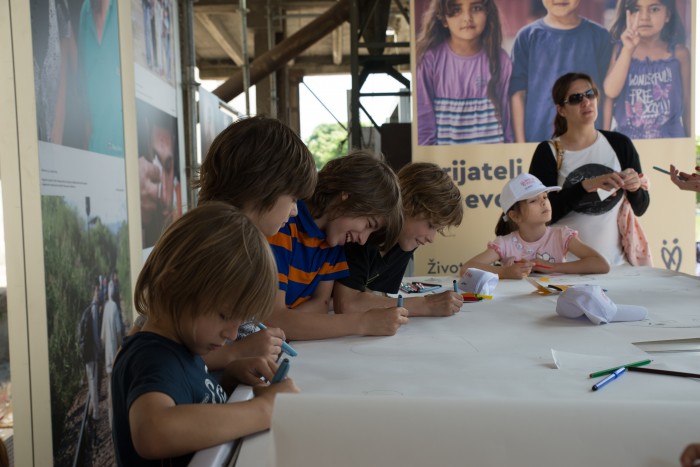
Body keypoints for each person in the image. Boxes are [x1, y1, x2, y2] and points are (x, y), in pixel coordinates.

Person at [111, 203, 299, 467]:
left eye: (238, 320)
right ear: (173, 287)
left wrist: (229, 381)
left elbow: (188, 400)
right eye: (224, 315)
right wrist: (265, 410)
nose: (232, 333)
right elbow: (153, 431)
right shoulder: (152, 357)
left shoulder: (185, 346)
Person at [192, 115, 317, 368]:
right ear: (263, 187)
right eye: (292, 198)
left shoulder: (243, 245)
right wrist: (236, 353)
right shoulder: (211, 250)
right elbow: (159, 349)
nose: (294, 212)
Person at [266, 150, 408, 341]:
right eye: (368, 224)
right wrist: (363, 323)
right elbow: (275, 319)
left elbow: (321, 305)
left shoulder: (333, 243)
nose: (363, 240)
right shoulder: (282, 225)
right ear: (347, 196)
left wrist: (293, 322)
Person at [528, 72, 650, 267]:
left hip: (616, 266)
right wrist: (585, 186)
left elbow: (641, 207)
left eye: (590, 94)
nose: (586, 102)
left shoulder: (620, 144)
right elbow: (538, 215)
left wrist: (635, 188)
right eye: (576, 98)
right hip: (564, 267)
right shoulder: (548, 151)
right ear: (561, 110)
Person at [333, 162, 465, 317]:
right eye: (430, 225)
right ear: (407, 204)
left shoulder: (406, 241)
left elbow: (370, 295)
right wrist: (426, 305)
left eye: (437, 229)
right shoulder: (362, 235)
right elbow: (347, 305)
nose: (431, 238)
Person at [460, 173, 610, 279]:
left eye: (545, 197)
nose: (544, 202)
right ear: (514, 216)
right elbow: (466, 268)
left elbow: (601, 265)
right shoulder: (505, 243)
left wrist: (552, 267)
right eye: (533, 201)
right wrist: (504, 272)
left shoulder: (561, 236)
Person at [509, 0, 612, 143]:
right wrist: (521, 145)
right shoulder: (526, 37)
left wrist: (605, 140)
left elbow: (607, 95)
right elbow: (517, 95)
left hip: (589, 143)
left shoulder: (600, 36)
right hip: (539, 142)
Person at [416, 0, 512, 145]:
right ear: (443, 19)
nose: (467, 18)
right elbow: (423, 124)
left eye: (476, 8)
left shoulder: (501, 60)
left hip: (495, 165)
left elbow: (508, 123)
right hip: (449, 165)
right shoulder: (430, 61)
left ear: (488, 13)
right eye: (456, 10)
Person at [603, 0, 689, 138]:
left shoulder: (679, 54)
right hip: (628, 145)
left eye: (654, 9)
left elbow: (688, 106)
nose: (644, 17)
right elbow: (610, 92)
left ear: (668, 14)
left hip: (671, 145)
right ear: (627, 14)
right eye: (636, 9)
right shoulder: (620, 50)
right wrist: (628, 50)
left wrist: (690, 150)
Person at [78, 0, 124, 156]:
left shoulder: (122, 9)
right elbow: (82, 80)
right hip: (95, 149)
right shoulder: (86, 11)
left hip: (124, 154)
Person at [78, 281, 101, 424]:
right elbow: (95, 332)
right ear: (95, 291)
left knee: (91, 378)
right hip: (91, 351)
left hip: (86, 350)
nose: (99, 294)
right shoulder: (93, 309)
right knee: (93, 380)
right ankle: (97, 412)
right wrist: (99, 349)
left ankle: (93, 405)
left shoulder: (88, 309)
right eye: (98, 291)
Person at [101, 281, 123, 427]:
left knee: (110, 385)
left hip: (108, 352)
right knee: (114, 387)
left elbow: (102, 335)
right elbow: (118, 331)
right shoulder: (114, 306)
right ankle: (114, 421)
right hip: (115, 351)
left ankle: (110, 421)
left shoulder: (106, 307)